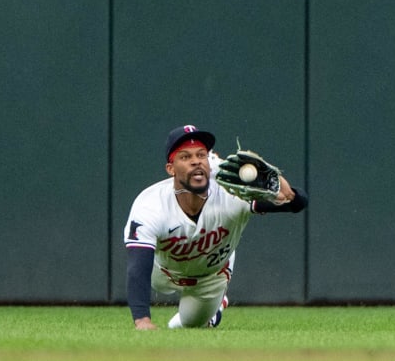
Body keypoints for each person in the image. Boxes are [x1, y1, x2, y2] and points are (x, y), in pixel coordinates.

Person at [123, 124, 308, 330]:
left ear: (209, 164)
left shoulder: (233, 195)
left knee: (188, 325)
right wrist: (142, 320)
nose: (196, 161)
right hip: (160, 271)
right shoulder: (150, 205)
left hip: (210, 277)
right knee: (150, 276)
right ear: (171, 169)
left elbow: (297, 202)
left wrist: (274, 180)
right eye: (185, 157)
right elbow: (137, 268)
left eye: (201, 155)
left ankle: (215, 307)